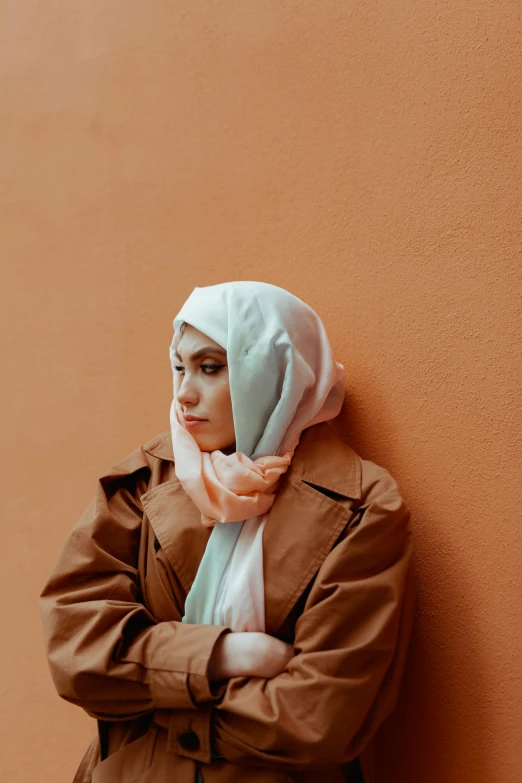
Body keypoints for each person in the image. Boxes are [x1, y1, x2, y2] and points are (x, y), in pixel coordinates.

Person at [39, 281, 416, 783]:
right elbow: (78, 654)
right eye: (179, 367)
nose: (184, 393)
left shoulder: (362, 507)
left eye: (211, 367)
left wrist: (151, 692)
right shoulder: (143, 482)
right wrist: (226, 655)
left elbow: (318, 718)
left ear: (274, 370)